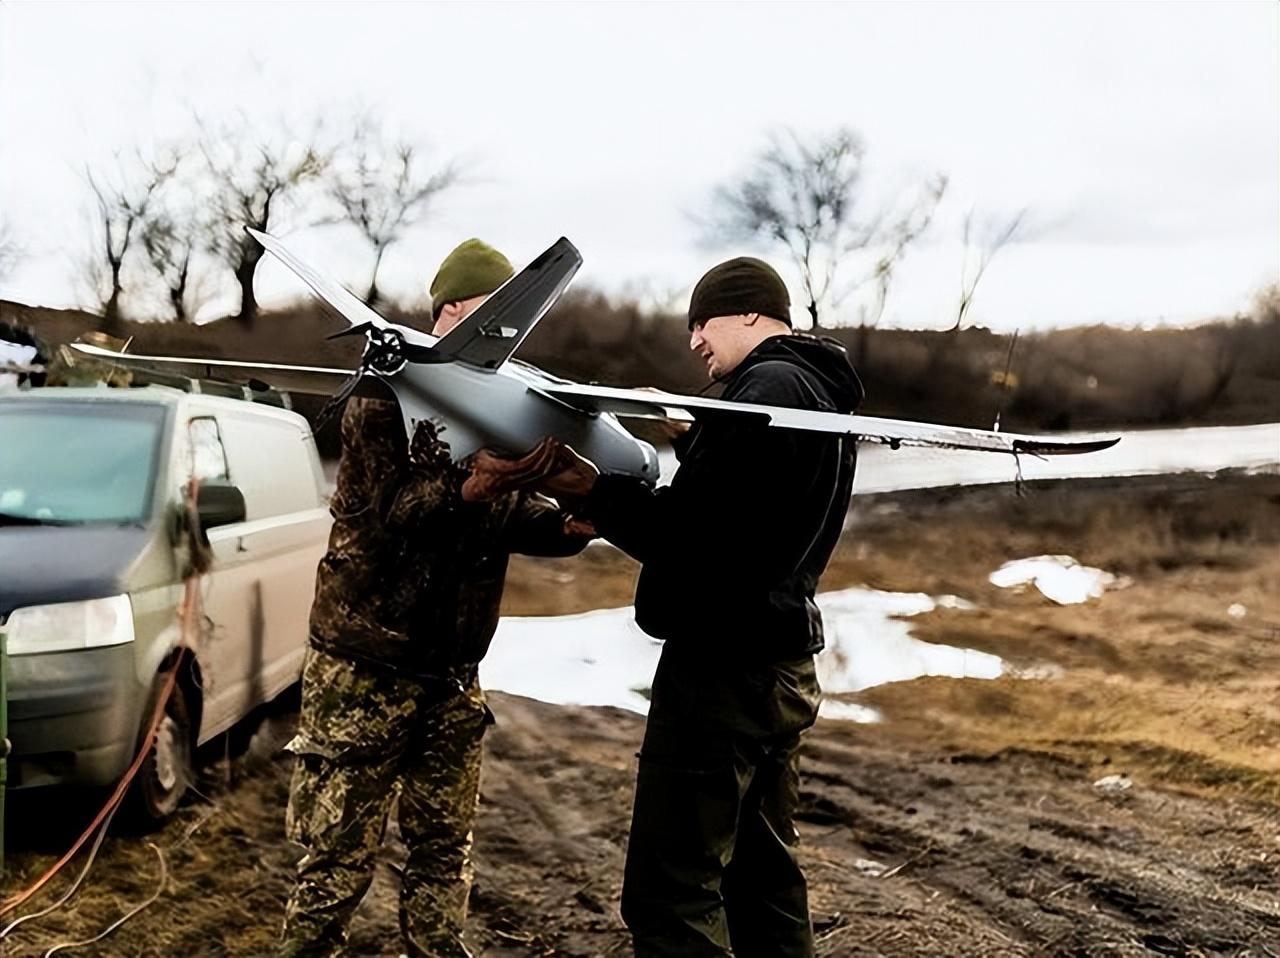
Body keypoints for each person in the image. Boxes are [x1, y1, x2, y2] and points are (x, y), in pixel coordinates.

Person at [466, 256, 863, 957]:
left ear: (747, 313)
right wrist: (698, 435)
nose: (693, 341)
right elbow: (751, 521)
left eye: (701, 323)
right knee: (762, 881)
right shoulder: (816, 392)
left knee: (668, 895)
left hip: (722, 673)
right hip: (779, 662)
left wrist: (590, 487)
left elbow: (692, 538)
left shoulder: (764, 386)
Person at [280, 239, 592, 958]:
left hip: (451, 674)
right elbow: (385, 513)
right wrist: (474, 485)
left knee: (444, 851)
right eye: (494, 313)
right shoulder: (381, 395)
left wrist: (570, 523)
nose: (510, 334)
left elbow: (502, 520)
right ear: (449, 312)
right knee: (335, 860)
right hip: (365, 667)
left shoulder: (500, 398)